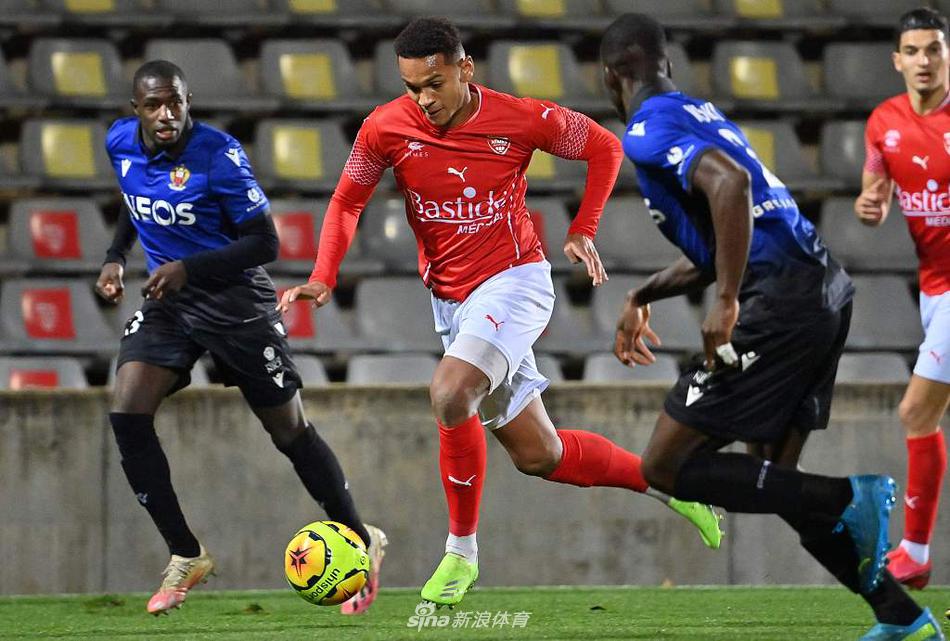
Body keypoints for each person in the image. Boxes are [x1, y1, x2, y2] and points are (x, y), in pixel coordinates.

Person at [278, 17, 722, 608]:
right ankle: (668, 483)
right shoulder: (385, 127)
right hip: (452, 303)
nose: (423, 100)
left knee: (449, 392)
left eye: (434, 84)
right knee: (540, 455)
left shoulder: (519, 117)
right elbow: (346, 202)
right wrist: (322, 276)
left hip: (515, 282)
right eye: (411, 87)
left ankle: (461, 552)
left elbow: (604, 146)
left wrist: (583, 228)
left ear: (465, 68)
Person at [601, 13, 944, 641]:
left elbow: (730, 188)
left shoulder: (648, 130)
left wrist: (727, 301)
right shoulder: (703, 114)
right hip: (822, 291)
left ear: (609, 77)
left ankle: (851, 496)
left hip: (780, 302)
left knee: (664, 465)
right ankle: (900, 614)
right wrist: (644, 292)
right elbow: (727, 232)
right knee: (776, 481)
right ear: (667, 64)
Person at [96, 60, 385, 616]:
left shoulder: (218, 155)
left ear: (188, 101)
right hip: (171, 303)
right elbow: (134, 201)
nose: (166, 114)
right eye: (154, 105)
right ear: (136, 110)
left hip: (236, 304)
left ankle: (359, 538)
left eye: (175, 102)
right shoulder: (119, 142)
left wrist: (189, 268)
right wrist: (115, 257)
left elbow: (264, 243)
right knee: (127, 411)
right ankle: (186, 553)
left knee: (289, 431)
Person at [856, 6, 950, 591]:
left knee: (915, 411)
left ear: (948, 55)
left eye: (933, 49)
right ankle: (915, 554)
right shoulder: (883, 122)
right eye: (912, 51)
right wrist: (870, 205)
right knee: (925, 415)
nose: (923, 60)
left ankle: (914, 554)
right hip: (932, 287)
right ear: (897, 61)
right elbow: (876, 192)